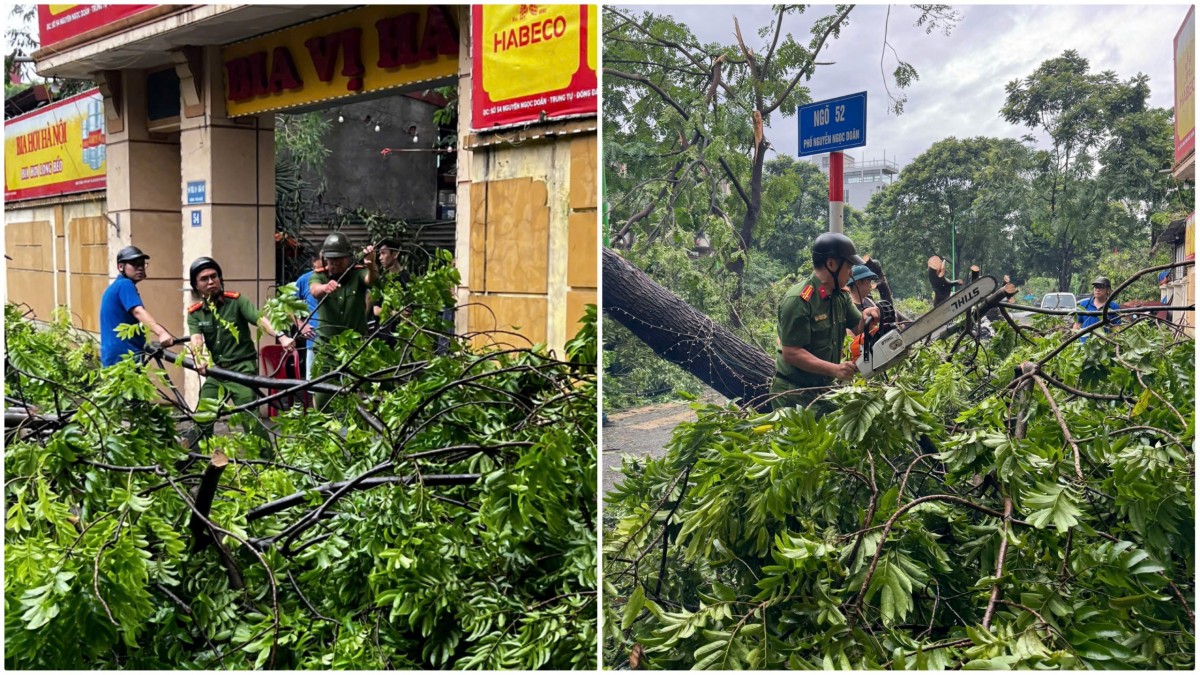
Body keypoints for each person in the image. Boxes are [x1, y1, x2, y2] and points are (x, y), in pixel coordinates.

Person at [770, 233, 880, 414]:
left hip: (823, 389)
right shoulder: (799, 300)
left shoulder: (840, 296)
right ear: (831, 264)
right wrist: (836, 369)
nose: (851, 272)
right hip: (794, 393)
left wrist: (867, 318)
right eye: (849, 266)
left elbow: (857, 327)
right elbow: (792, 353)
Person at [186, 257, 294, 419]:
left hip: (242, 368)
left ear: (220, 279)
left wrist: (282, 336)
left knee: (249, 419)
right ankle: (201, 444)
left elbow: (259, 319)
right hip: (218, 370)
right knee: (203, 417)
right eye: (204, 279)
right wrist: (198, 357)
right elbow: (196, 338)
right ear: (196, 286)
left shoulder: (236, 301)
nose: (211, 281)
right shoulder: (195, 313)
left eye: (214, 276)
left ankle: (262, 446)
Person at [309, 232, 377, 410]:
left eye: (339, 260)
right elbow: (314, 290)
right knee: (322, 397)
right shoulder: (320, 276)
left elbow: (371, 280)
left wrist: (371, 264)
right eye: (330, 260)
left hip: (355, 349)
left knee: (361, 399)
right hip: (326, 348)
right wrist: (326, 287)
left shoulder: (358, 273)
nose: (334, 264)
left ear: (348, 258)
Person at [100, 246, 177, 367]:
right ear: (121, 267)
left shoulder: (115, 286)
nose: (140, 267)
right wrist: (161, 333)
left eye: (142, 264)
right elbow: (138, 312)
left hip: (115, 356)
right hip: (125, 356)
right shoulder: (125, 284)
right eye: (135, 264)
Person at [294, 253, 322, 379]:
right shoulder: (304, 280)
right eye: (324, 259)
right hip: (313, 340)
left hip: (338, 340)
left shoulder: (337, 277)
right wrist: (301, 324)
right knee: (315, 386)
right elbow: (288, 305)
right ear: (314, 261)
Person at [1073, 276, 1121, 341]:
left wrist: (1112, 341)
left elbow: (1116, 328)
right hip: (1084, 345)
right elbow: (1077, 325)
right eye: (1096, 286)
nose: (1097, 289)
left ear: (1108, 290)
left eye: (1101, 287)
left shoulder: (1114, 307)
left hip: (1104, 345)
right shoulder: (1084, 304)